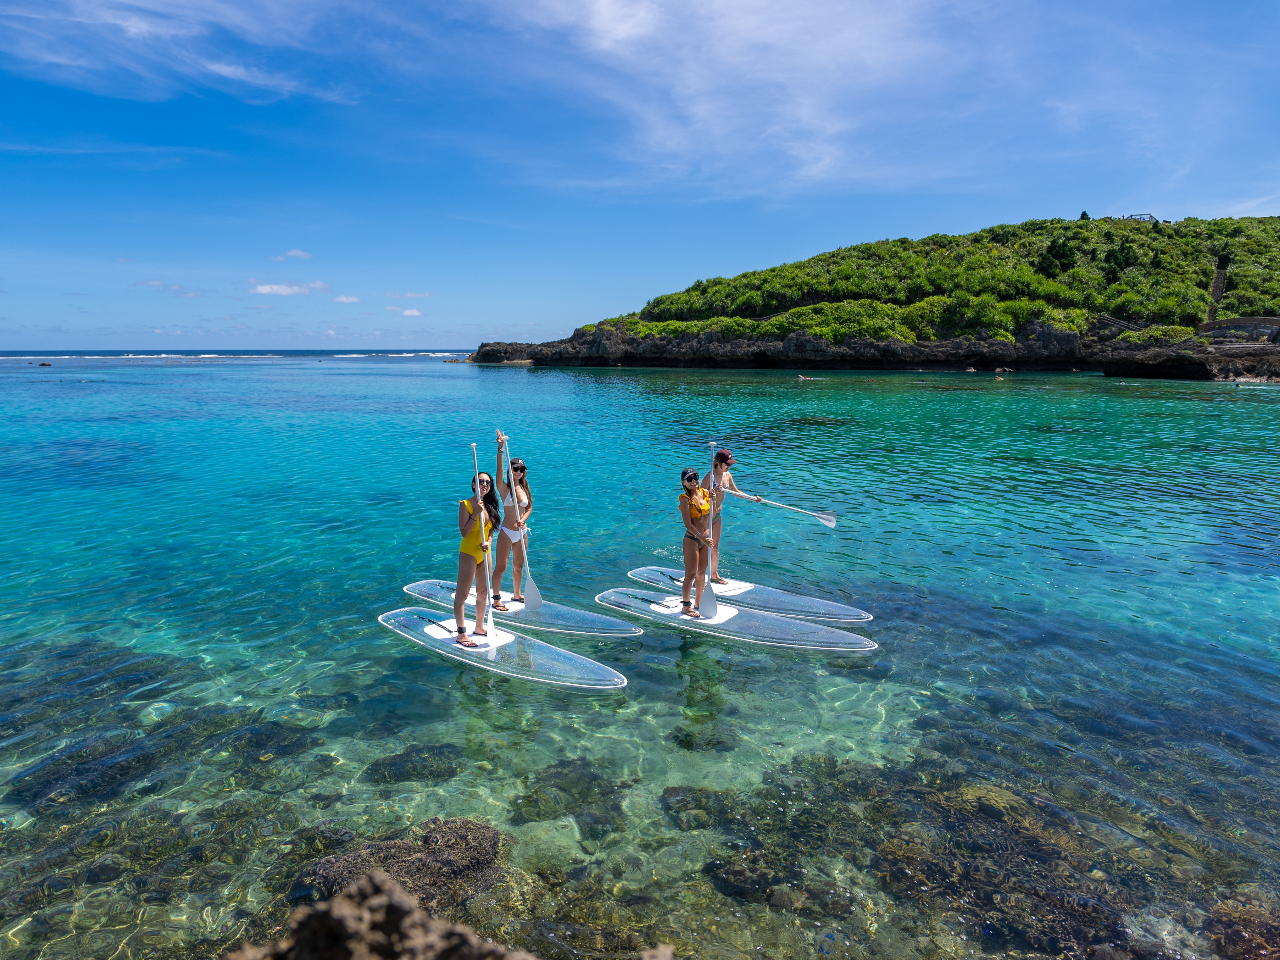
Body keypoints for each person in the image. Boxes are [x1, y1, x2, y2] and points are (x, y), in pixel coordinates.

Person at [455, 471, 501, 646]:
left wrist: (489, 543)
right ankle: (461, 634)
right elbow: (464, 533)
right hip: (468, 553)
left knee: (483, 592)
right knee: (463, 594)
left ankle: (479, 627)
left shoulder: (490, 505)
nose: (484, 485)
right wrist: (475, 512)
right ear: (474, 484)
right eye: (481, 481)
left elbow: (490, 531)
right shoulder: (465, 505)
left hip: (484, 553)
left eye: (488, 483)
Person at [702, 448, 761, 583]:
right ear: (718, 462)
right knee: (704, 547)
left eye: (730, 464)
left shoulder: (727, 476)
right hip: (705, 518)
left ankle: (714, 575)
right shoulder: (709, 477)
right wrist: (711, 493)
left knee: (715, 546)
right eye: (727, 464)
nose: (729, 466)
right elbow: (698, 497)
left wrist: (752, 498)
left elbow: (735, 492)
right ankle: (697, 577)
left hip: (716, 517)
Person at [492, 430, 533, 610]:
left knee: (519, 566)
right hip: (507, 532)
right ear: (511, 470)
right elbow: (498, 471)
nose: (518, 472)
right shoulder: (504, 488)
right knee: (501, 567)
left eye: (521, 469)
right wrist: (500, 449)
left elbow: (529, 507)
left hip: (522, 532)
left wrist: (523, 519)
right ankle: (496, 599)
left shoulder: (525, 488)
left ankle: (517, 594)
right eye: (515, 469)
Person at [678, 467, 714, 617]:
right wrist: (701, 537)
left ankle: (698, 603)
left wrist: (714, 496)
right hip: (693, 538)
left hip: (705, 539)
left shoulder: (705, 493)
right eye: (690, 479)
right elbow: (687, 523)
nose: (694, 481)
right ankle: (686, 606)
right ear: (684, 483)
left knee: (701, 573)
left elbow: (713, 511)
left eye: (696, 477)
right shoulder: (685, 499)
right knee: (691, 574)